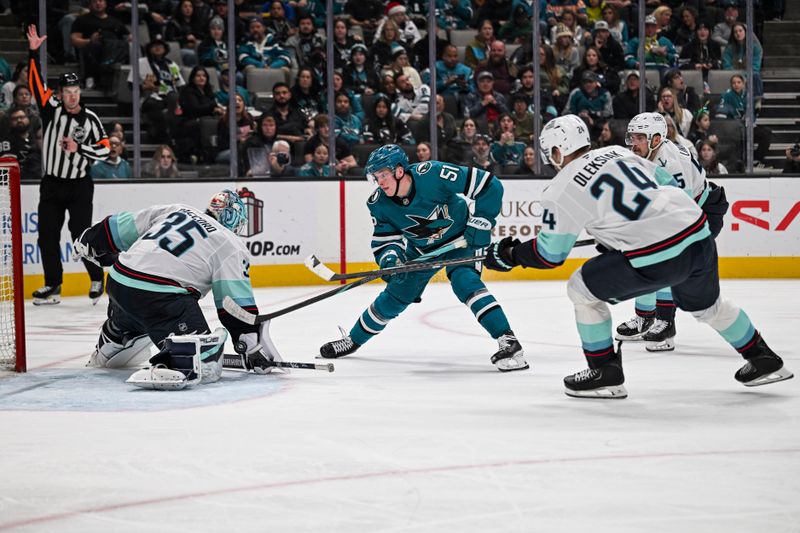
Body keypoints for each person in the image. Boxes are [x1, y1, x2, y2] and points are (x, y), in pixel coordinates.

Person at [484, 114, 792, 398]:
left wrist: (509, 254)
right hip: (698, 232)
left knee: (580, 288)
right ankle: (763, 358)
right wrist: (626, 232)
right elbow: (668, 184)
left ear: (555, 151)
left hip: (659, 253)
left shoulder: (560, 188)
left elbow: (550, 254)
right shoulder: (618, 152)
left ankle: (604, 372)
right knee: (708, 307)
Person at [318, 144, 528, 372]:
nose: (380, 182)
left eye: (383, 175)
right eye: (376, 177)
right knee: (395, 295)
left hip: (462, 241)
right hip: (421, 251)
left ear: (399, 171)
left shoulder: (433, 173)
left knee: (464, 281)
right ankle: (353, 340)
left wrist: (482, 221)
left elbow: (489, 184)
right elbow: (385, 240)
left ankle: (508, 341)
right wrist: (391, 259)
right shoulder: (378, 203)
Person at [72, 189, 282, 390]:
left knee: (138, 305)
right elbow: (234, 306)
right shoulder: (229, 243)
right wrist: (251, 346)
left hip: (119, 282)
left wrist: (91, 239)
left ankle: (118, 333)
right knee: (208, 364)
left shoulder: (178, 210)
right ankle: (179, 360)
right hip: (160, 298)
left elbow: (121, 226)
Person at [615, 112, 727, 351]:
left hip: (702, 212)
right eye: (632, 137)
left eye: (639, 138)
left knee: (666, 259)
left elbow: (680, 212)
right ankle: (645, 318)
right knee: (643, 257)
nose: (633, 143)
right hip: (682, 209)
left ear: (656, 139)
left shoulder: (672, 162)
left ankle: (665, 324)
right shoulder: (644, 154)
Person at [27, 25, 108, 306]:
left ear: (79, 92)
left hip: (79, 185)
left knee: (80, 234)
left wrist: (79, 148)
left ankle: (96, 277)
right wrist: (33, 53)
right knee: (47, 236)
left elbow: (105, 149)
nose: (72, 96)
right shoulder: (51, 110)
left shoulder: (91, 119)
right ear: (60, 93)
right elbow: (35, 84)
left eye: (76, 91)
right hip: (51, 183)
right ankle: (53, 284)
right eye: (67, 92)